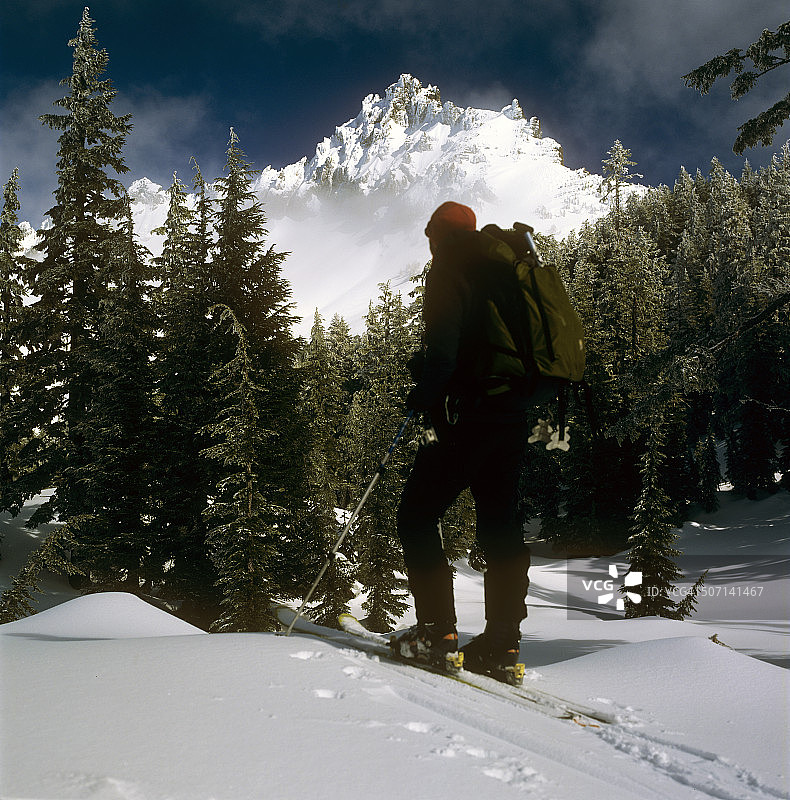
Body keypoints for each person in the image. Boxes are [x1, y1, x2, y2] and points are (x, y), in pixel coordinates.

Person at [391, 201, 540, 685]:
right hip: (513, 414)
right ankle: (502, 643)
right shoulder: (508, 269)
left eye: (431, 235)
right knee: (500, 523)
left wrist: (422, 391)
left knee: (416, 513)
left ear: (438, 234)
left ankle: (438, 633)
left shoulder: (449, 268)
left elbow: (443, 349)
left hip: (468, 415)